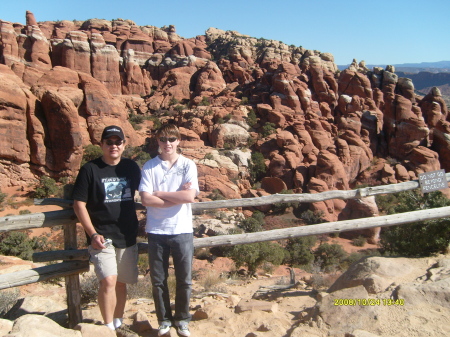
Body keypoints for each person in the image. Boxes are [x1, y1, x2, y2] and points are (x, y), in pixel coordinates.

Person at [72, 125, 141, 334]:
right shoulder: (90, 170)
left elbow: (147, 190)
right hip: (101, 236)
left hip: (127, 234)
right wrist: (92, 234)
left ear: (124, 145)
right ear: (101, 144)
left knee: (121, 283)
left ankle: (118, 322)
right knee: (108, 281)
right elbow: (78, 204)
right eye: (109, 142)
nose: (113, 146)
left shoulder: (130, 167)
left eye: (117, 142)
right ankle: (108, 326)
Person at [139, 123, 199, 337]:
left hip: (182, 230)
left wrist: (160, 194)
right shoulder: (149, 167)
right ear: (158, 141)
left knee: (185, 279)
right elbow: (145, 198)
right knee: (158, 280)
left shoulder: (188, 165)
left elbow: (189, 197)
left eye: (172, 139)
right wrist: (174, 197)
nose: (168, 144)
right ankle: (164, 320)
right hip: (156, 231)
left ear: (178, 141)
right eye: (163, 139)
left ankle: (182, 320)